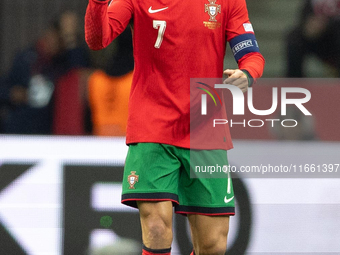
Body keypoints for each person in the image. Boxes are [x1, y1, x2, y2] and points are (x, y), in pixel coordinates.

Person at [85, 0, 265, 254]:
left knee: (213, 245)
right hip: (152, 126)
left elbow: (252, 55)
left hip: (205, 129)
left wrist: (248, 74)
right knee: (157, 228)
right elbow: (98, 39)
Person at [286, 0, 340, 77]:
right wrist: (309, 26)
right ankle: (294, 81)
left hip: (335, 36)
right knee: (294, 38)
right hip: (317, 37)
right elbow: (304, 18)